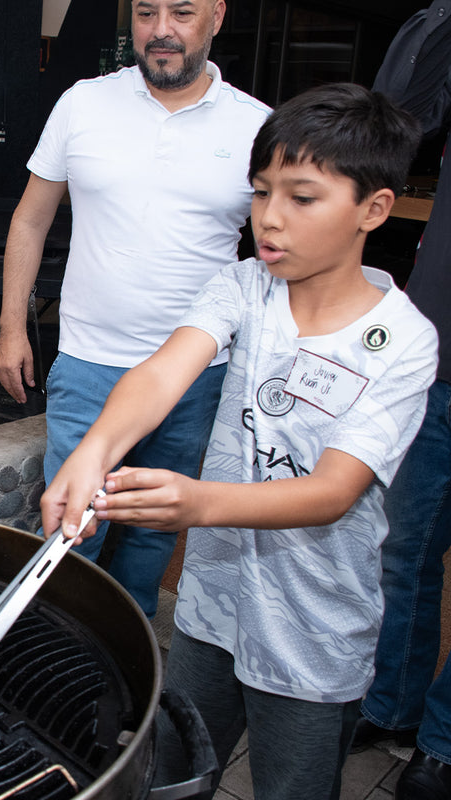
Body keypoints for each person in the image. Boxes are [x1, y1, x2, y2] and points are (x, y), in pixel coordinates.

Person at [41, 83, 438, 799]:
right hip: (210, 609)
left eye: (302, 197)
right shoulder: (244, 287)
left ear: (373, 210)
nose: (270, 219)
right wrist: (92, 450)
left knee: (292, 786)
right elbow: (161, 373)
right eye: (259, 194)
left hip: (314, 633)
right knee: (176, 770)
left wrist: (197, 503)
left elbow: (333, 492)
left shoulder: (402, 342)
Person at [0, 0, 270, 618]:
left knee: (147, 547)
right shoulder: (83, 103)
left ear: (217, 17)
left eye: (182, 12)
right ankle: (58, 681)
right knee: (68, 545)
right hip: (89, 364)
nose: (162, 30)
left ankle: (124, 692)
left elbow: (277, 252)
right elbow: (30, 219)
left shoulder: (257, 127)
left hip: (197, 378)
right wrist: (12, 327)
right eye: (146, 14)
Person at [347, 4, 451, 799]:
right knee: (405, 550)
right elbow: (396, 108)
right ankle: (392, 705)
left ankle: (444, 739)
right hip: (441, 361)